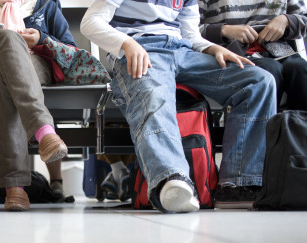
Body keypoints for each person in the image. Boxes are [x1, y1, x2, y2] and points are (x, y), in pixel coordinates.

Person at [81, 0, 277, 212]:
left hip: (184, 52)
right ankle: (171, 180)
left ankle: (237, 185)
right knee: (154, 96)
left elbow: (189, 33)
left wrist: (212, 48)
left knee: (259, 81)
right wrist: (127, 44)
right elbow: (90, 22)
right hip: (142, 50)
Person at [0, 0, 75, 211]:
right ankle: (44, 132)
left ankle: (15, 189)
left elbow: (70, 50)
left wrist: (42, 38)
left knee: (0, 77)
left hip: (34, 65)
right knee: (7, 36)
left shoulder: (46, 5)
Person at [199, 0, 307, 111]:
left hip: (279, 50)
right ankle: (267, 126)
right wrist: (224, 30)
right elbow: (187, 30)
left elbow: (304, 19)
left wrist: (287, 20)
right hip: (230, 53)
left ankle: (298, 126)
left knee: (301, 69)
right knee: (270, 70)